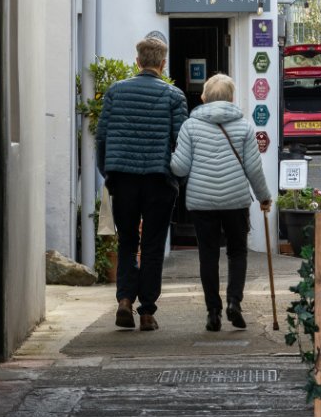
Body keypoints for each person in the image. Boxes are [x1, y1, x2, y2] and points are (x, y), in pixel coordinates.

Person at [96, 36, 187, 332]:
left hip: (123, 178)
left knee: (127, 241)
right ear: (163, 64)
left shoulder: (115, 91)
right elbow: (181, 142)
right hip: (159, 180)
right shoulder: (174, 96)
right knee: (152, 245)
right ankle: (147, 311)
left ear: (137, 62)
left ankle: (124, 299)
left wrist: (108, 172)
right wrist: (177, 178)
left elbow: (102, 137)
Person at [169, 73, 273, 332]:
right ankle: (234, 302)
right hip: (235, 200)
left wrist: (169, 156)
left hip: (201, 202)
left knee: (208, 255)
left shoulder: (190, 126)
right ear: (231, 98)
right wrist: (264, 196)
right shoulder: (244, 126)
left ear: (204, 98)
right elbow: (253, 168)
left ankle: (213, 312)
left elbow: (180, 168)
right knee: (237, 251)